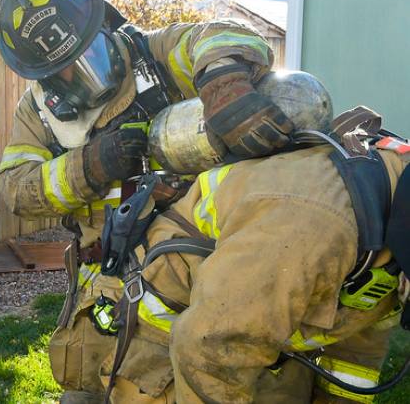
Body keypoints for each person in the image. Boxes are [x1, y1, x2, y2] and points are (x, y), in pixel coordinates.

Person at [0, 0, 294, 403]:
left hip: (195, 268)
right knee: (86, 393)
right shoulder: (37, 113)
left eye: (89, 53)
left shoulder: (155, 54)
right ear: (42, 74)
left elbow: (231, 36)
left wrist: (222, 82)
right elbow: (16, 189)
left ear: (102, 24)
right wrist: (89, 167)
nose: (83, 75)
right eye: (63, 70)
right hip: (105, 283)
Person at [101, 106, 410, 404]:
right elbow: (208, 350)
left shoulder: (394, 229)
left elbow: (361, 342)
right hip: (169, 325)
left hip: (260, 321)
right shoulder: (309, 229)